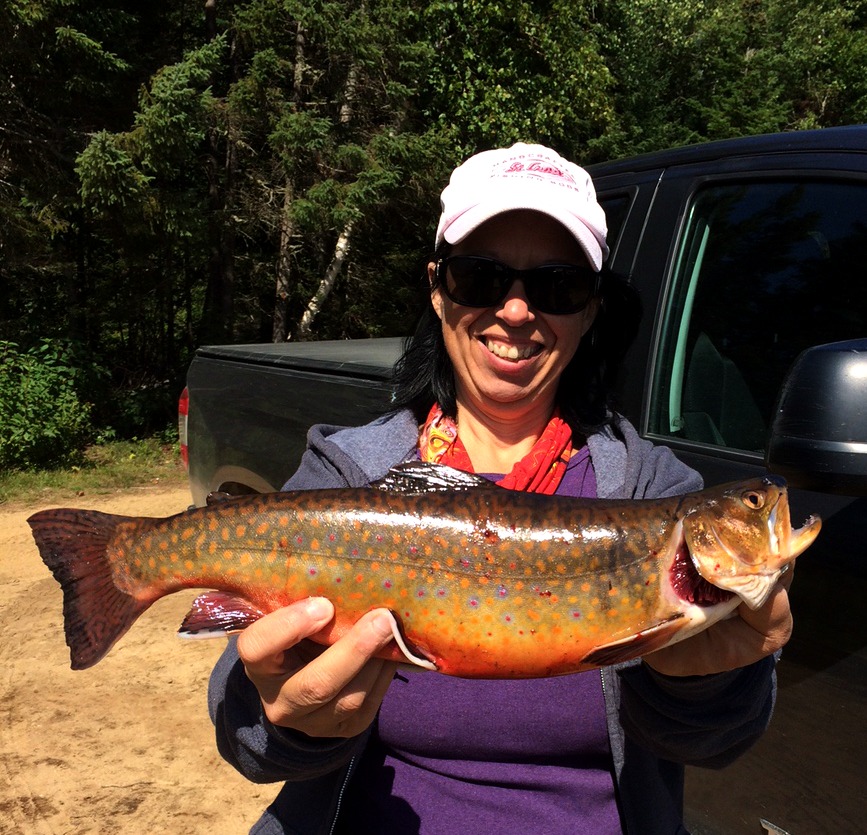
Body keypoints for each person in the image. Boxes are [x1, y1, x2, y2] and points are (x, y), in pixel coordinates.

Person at [208, 143, 794, 834]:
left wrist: (704, 684)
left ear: (591, 309)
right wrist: (286, 719)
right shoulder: (347, 477)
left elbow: (718, 742)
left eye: (556, 286)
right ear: (436, 286)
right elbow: (243, 727)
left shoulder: (658, 493)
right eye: (480, 276)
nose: (515, 311)